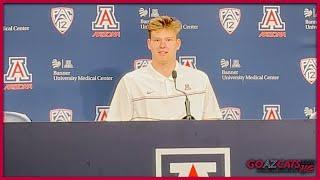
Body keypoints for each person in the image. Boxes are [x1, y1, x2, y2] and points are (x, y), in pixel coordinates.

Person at [106, 16, 222, 121]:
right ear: (149, 44)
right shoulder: (130, 82)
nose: (162, 45)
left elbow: (213, 126)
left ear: (178, 44)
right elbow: (115, 129)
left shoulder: (199, 79)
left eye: (168, 40)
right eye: (157, 40)